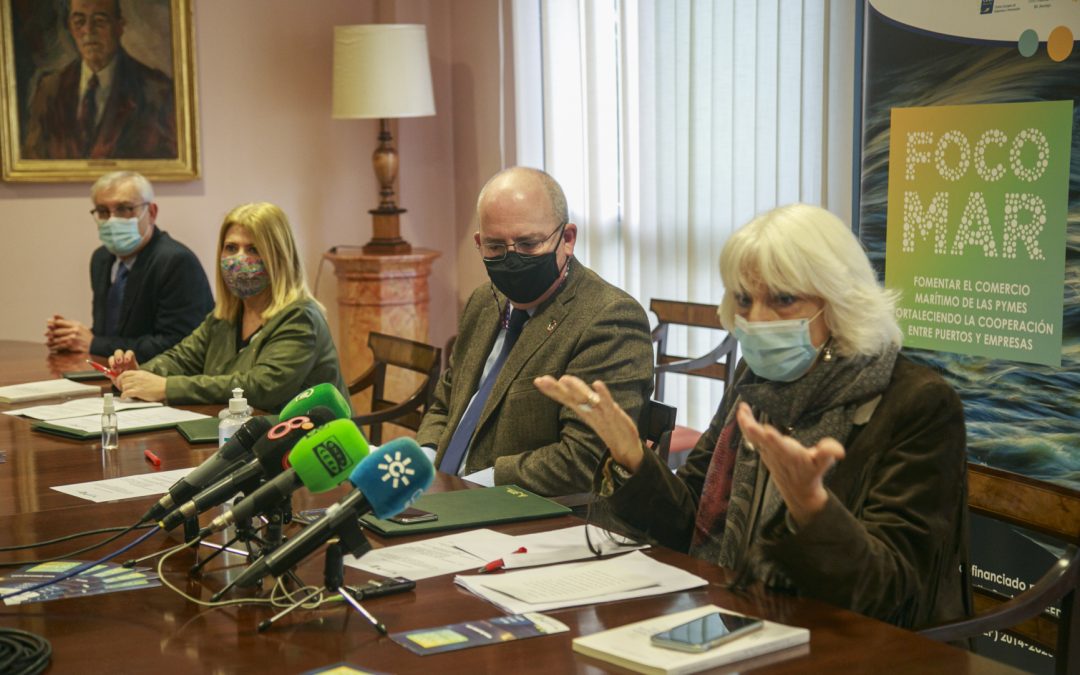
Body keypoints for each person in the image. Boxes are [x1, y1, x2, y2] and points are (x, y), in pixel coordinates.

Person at [536, 203, 969, 629]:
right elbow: (687, 523)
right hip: (739, 615)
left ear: (839, 301)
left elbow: (892, 591)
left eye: (783, 299)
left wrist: (812, 509)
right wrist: (632, 457)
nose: (757, 319)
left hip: (856, 644)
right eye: (744, 299)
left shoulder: (917, 402)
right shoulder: (756, 377)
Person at [417, 167, 654, 497]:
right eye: (495, 247)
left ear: (567, 239)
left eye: (528, 244)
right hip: (444, 494)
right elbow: (446, 403)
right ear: (479, 243)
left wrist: (474, 487)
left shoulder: (609, 319)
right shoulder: (484, 301)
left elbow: (585, 458)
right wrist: (424, 462)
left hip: (529, 509)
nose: (511, 259)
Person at [107, 202, 348, 414]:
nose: (238, 258)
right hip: (243, 433)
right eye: (231, 248)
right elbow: (182, 359)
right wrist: (139, 374)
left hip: (310, 440)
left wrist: (167, 387)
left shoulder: (300, 316)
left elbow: (261, 388)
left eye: (253, 249)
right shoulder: (226, 315)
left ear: (279, 257)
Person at [45, 171, 213, 362]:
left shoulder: (176, 261)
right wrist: (71, 339)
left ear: (151, 213)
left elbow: (178, 345)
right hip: (115, 371)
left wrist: (93, 343)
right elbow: (112, 334)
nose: (112, 220)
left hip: (163, 377)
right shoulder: (101, 258)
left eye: (123, 209)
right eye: (103, 211)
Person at [22, 0, 176, 160]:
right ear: (70, 27)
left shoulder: (157, 91)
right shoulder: (49, 89)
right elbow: (33, 159)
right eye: (79, 21)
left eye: (100, 21)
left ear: (119, 26)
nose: (88, 30)